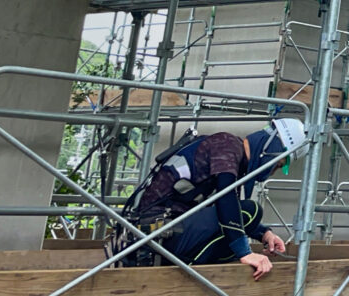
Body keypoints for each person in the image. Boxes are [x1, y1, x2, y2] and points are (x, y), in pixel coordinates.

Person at [123, 119, 308, 279]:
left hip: (165, 231)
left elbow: (227, 208)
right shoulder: (227, 146)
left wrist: (263, 234)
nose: (272, 172)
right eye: (278, 164)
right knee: (250, 211)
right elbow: (225, 199)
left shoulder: (232, 155)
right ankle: (192, 269)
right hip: (158, 231)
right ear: (271, 150)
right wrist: (245, 252)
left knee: (241, 220)